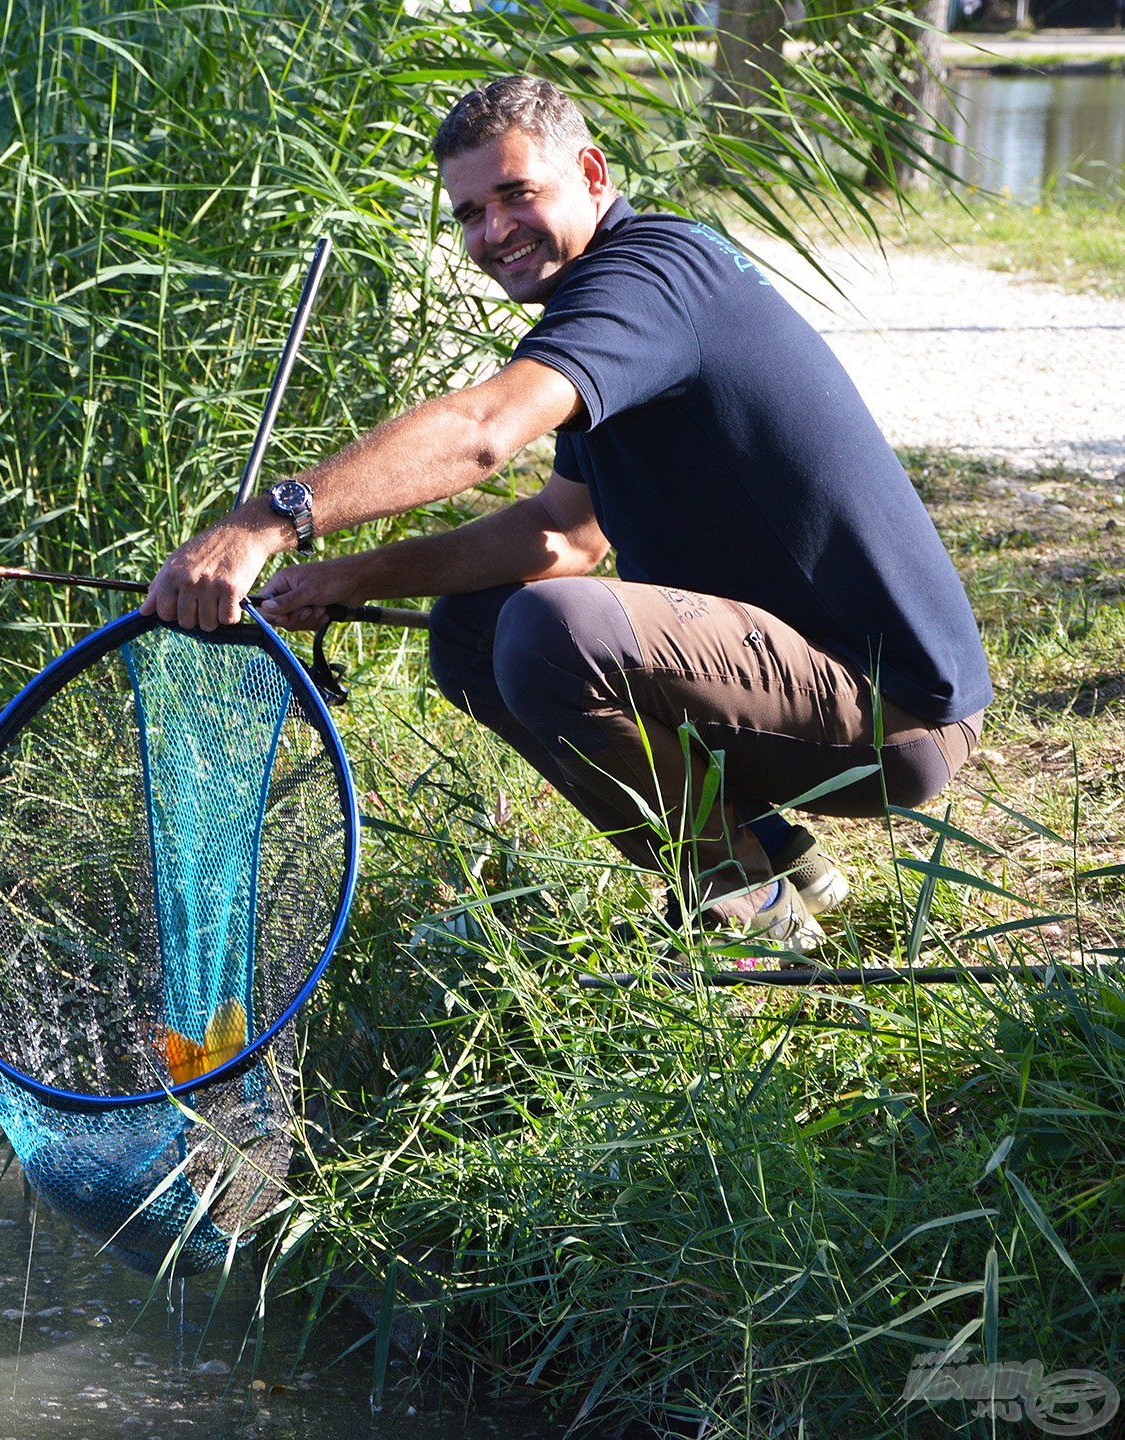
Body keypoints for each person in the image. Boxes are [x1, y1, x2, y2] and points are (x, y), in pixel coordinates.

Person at [141, 76, 991, 952]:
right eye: (470, 212)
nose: (493, 231)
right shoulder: (613, 302)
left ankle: (745, 909)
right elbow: (563, 533)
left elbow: (482, 431)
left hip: (896, 713)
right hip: (816, 692)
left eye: (516, 193)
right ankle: (779, 854)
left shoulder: (646, 280)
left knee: (551, 633)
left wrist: (267, 523)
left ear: (591, 172)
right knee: (478, 630)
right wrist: (349, 575)